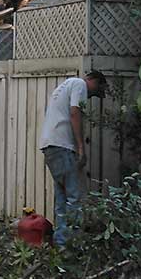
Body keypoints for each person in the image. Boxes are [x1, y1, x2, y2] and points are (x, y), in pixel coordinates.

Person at [39, 70, 107, 246]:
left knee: (62, 197)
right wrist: (80, 147)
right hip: (62, 146)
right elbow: (75, 112)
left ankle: (61, 244)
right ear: (94, 80)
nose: (91, 96)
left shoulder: (64, 86)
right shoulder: (79, 84)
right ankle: (73, 245)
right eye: (96, 91)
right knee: (74, 197)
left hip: (50, 145)